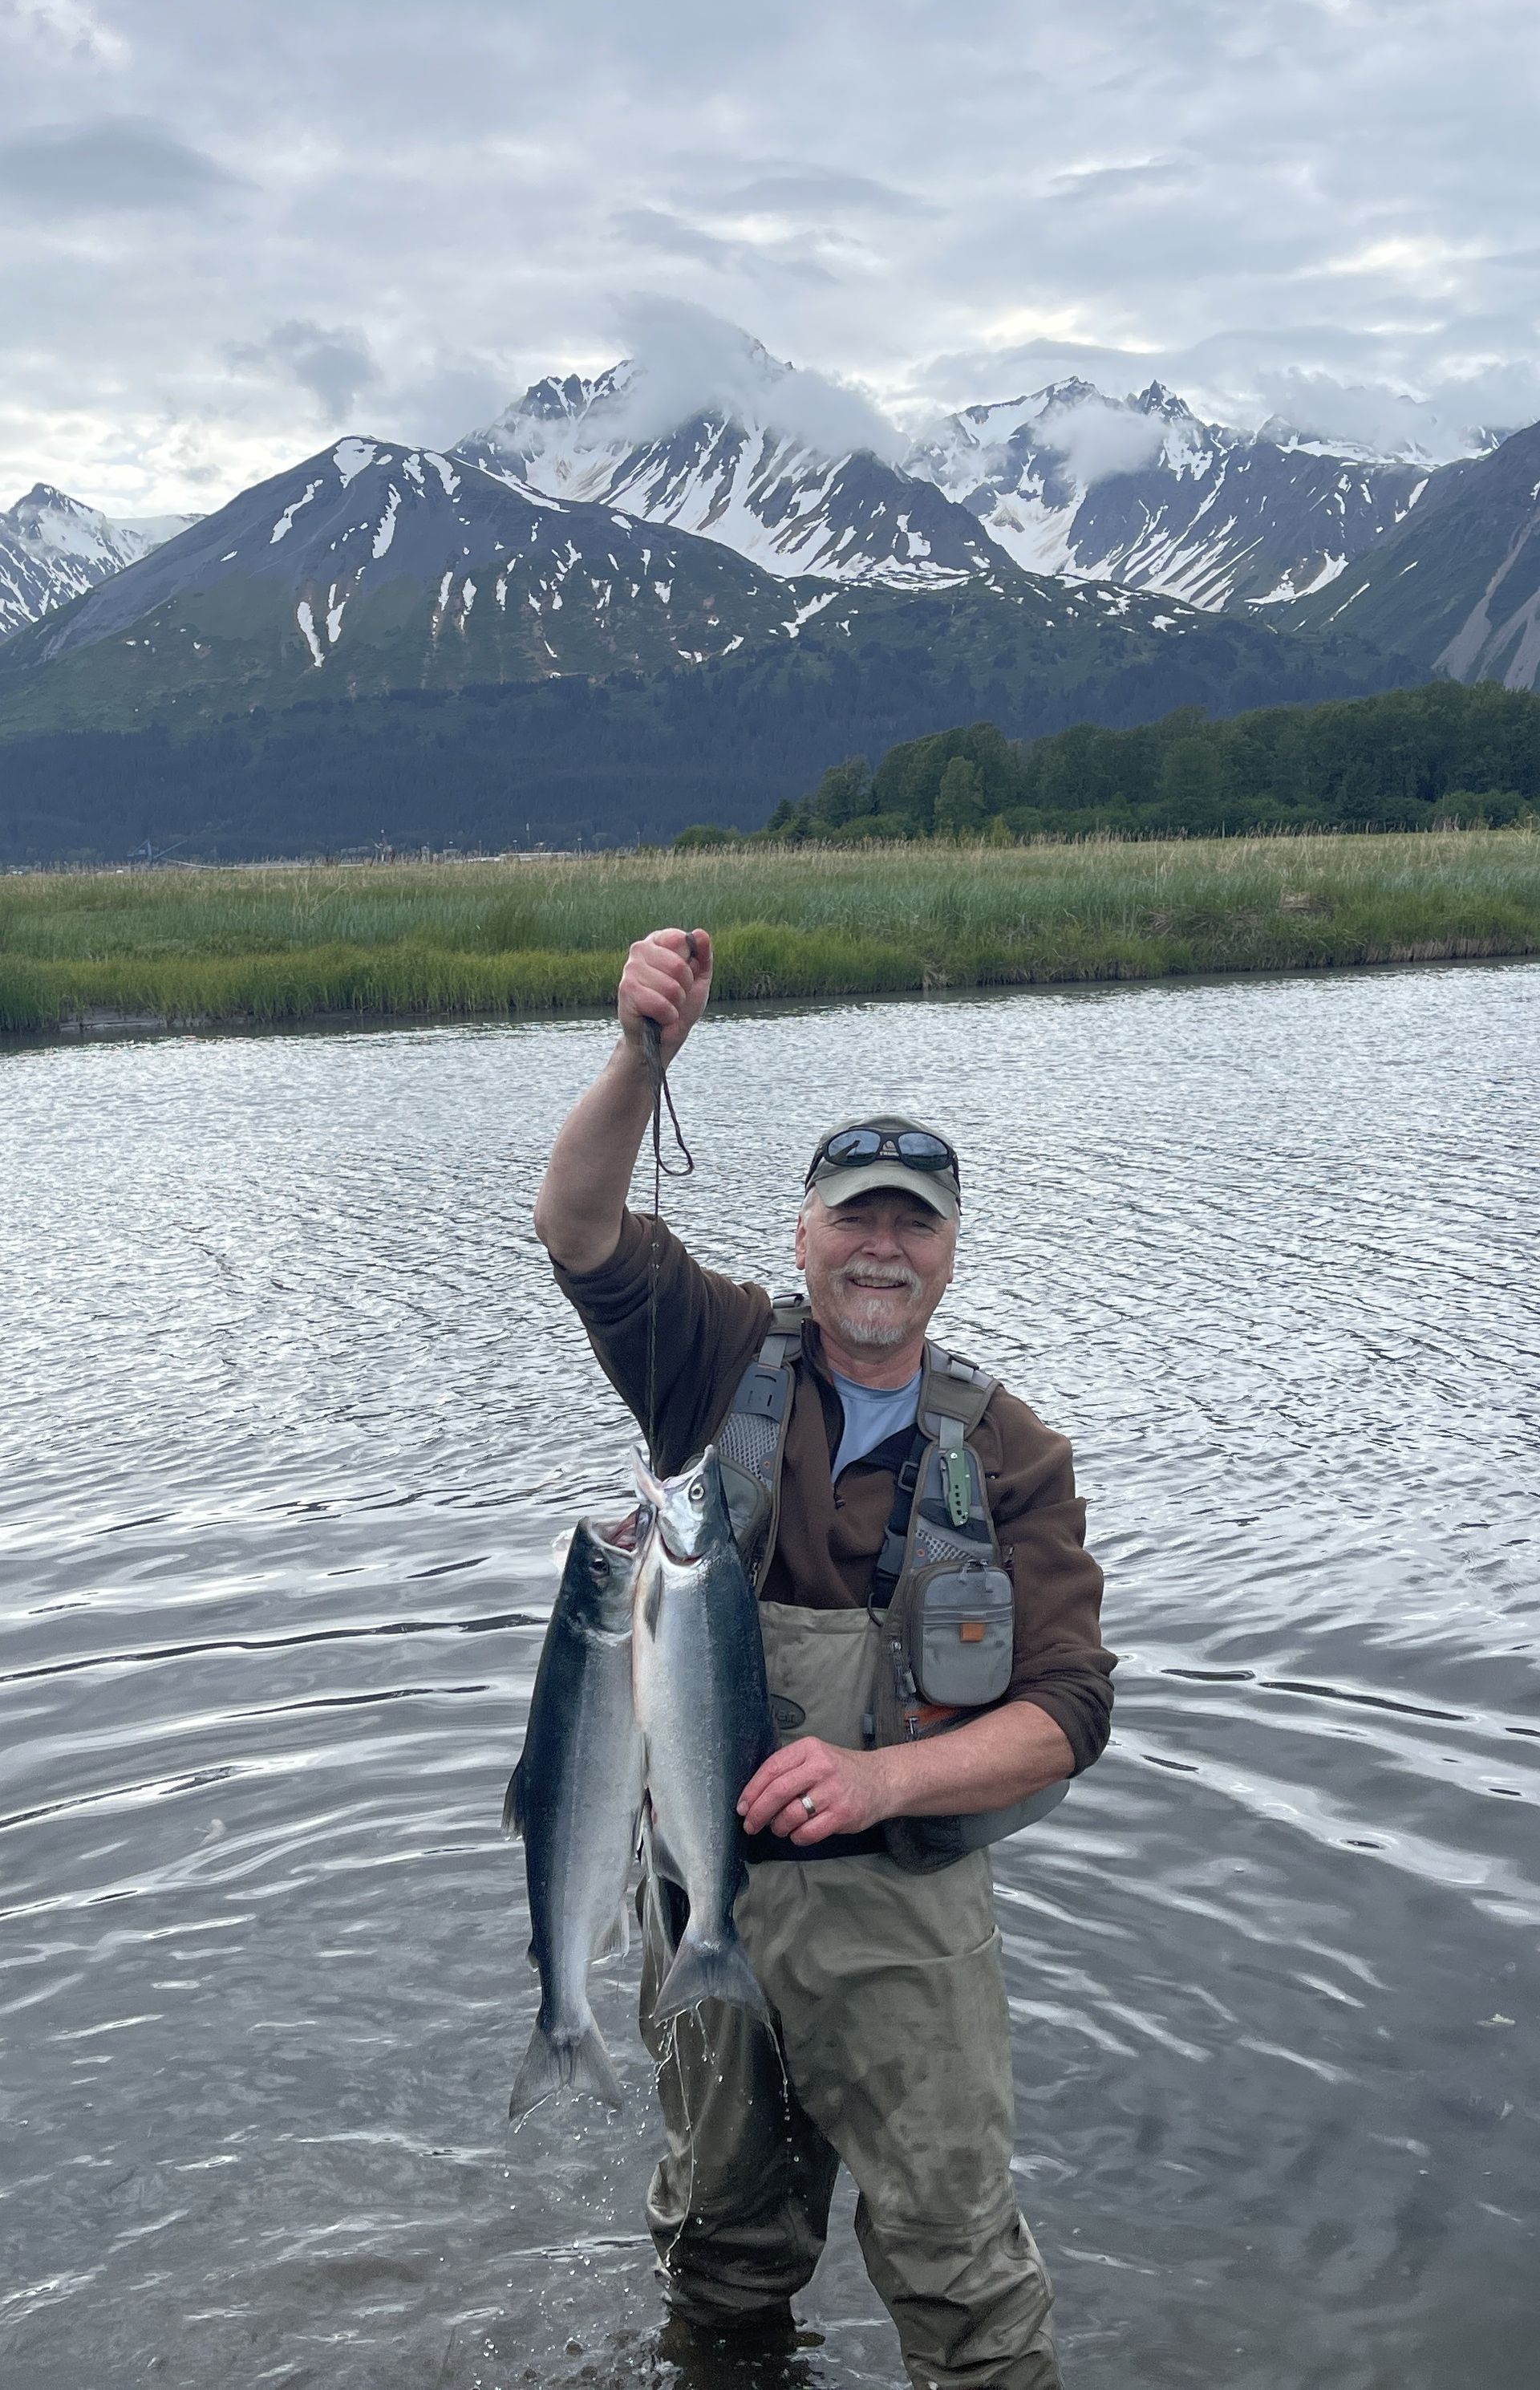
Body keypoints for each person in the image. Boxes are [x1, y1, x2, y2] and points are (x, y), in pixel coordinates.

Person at [533, 927, 1115, 2390]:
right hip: (706, 1894)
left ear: (950, 1254)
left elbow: (1069, 1713)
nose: (882, 1248)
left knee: (965, 2282)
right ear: (803, 1236)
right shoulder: (719, 1357)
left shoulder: (1013, 1454)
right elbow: (578, 1226)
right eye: (855, 1218)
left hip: (904, 1915)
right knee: (720, 2252)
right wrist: (641, 1055)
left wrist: (878, 1780)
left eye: (915, 1225)